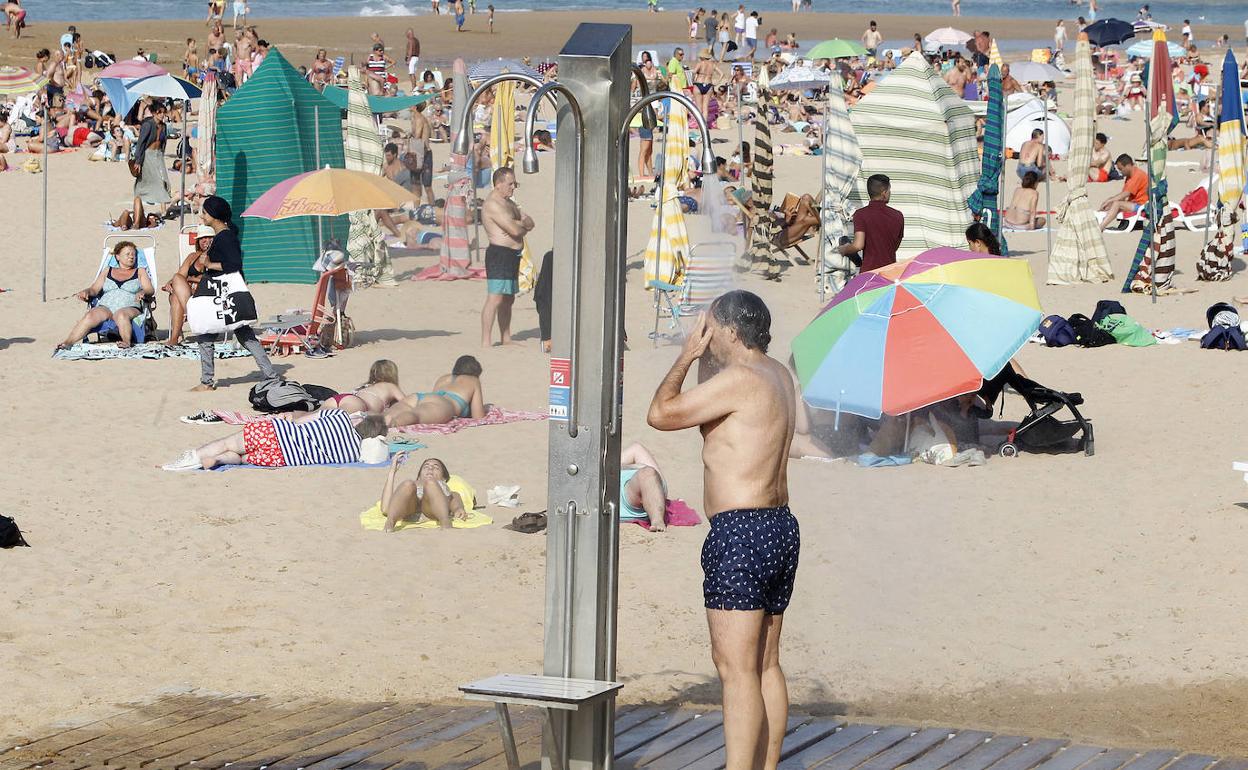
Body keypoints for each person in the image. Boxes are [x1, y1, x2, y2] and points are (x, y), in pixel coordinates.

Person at [646, 290, 798, 770]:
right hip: (780, 525)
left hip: (741, 531)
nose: (705, 336)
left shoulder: (739, 379)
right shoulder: (777, 375)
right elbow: (714, 422)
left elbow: (661, 414)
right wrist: (707, 358)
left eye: (710, 328)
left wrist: (686, 355)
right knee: (765, 663)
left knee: (735, 671)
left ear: (730, 331)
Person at [191, 196, 280, 391]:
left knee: (212, 334)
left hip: (222, 294)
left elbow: (234, 265)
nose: (202, 215)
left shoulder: (225, 236)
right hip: (222, 294)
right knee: (241, 334)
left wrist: (208, 264)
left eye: (204, 212)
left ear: (214, 215)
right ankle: (270, 374)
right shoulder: (225, 234)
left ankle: (207, 382)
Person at [162, 412, 388, 471]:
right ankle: (220, 461)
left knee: (227, 442)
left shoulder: (338, 417)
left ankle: (189, 458)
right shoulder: (350, 453)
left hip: (276, 433)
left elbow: (301, 422)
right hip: (281, 458)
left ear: (360, 422)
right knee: (241, 459)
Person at [57, 240, 154, 350]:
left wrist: (143, 292)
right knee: (91, 315)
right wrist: (86, 292)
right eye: (127, 254)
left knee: (121, 314)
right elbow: (94, 289)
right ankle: (68, 342)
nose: (131, 257)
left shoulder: (140, 271)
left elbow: (149, 289)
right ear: (117, 256)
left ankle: (126, 342)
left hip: (130, 306)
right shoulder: (108, 270)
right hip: (106, 307)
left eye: (134, 254)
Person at [480, 168, 533, 347]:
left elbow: (529, 222)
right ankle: (486, 341)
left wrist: (520, 224)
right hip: (499, 254)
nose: (513, 187)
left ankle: (506, 337)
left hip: (513, 254)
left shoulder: (509, 203)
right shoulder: (493, 204)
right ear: (498, 184)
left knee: (508, 298)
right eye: (510, 184)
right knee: (495, 298)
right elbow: (516, 230)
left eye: (514, 183)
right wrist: (520, 225)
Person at [384, 355, 486, 427]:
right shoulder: (473, 380)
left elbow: (433, 397)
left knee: (392, 412)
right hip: (443, 404)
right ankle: (394, 423)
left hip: (421, 396)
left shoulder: (444, 377)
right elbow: (478, 416)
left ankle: (375, 420)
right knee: (416, 415)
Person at [380, 456, 469, 530]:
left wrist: (458, 509)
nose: (430, 468)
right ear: (419, 476)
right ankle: (390, 522)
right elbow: (385, 508)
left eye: (436, 467)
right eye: (426, 467)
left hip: (432, 509)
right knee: (407, 484)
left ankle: (445, 522)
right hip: (411, 507)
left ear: (444, 478)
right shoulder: (414, 484)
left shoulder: (442, 486)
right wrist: (392, 472)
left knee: (431, 483)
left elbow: (454, 497)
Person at [839, 174, 903, 272]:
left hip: (869, 273)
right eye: (889, 190)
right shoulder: (898, 216)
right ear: (884, 193)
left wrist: (844, 249)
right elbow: (894, 246)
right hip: (890, 273)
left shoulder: (861, 215)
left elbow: (858, 245)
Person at [162, 225, 213, 346]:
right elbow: (180, 275)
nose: (205, 241)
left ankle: (176, 336)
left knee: (175, 295)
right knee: (175, 288)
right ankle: (175, 337)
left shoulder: (218, 256)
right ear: (198, 242)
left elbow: (212, 279)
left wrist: (191, 278)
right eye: (202, 238)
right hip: (188, 293)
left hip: (207, 291)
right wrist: (170, 283)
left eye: (209, 237)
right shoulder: (192, 256)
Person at [132, 101, 171, 224]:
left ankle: (163, 209)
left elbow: (163, 141)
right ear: (154, 113)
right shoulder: (148, 125)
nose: (162, 115)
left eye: (164, 113)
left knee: (164, 179)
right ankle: (162, 209)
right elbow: (141, 143)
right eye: (160, 113)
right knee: (147, 180)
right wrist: (138, 160)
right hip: (148, 154)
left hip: (158, 154)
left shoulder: (163, 126)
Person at [322, 360, 407, 414]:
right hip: (359, 405)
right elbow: (407, 403)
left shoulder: (366, 385)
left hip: (343, 397)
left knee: (312, 417)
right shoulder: (391, 386)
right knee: (335, 419)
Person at [619, 442, 670, 531]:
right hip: (626, 491)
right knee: (648, 473)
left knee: (637, 449)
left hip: (626, 476)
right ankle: (657, 519)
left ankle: (657, 519)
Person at [1099, 154, 1148, 230]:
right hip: (1133, 203)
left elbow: (1125, 194)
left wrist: (1110, 200)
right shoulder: (1130, 176)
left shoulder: (1137, 175)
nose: (1120, 172)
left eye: (1121, 169)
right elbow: (1123, 195)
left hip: (1141, 205)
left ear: (1128, 166)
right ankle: (1099, 221)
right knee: (1112, 203)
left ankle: (1101, 226)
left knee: (1116, 204)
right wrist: (1109, 202)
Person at [408, 102, 434, 205]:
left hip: (422, 152)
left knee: (426, 186)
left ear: (414, 106)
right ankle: (417, 209)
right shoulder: (415, 118)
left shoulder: (419, 119)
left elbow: (418, 136)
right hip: (419, 151)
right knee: (416, 185)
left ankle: (431, 208)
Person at [692, 49, 719, 118]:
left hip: (699, 84)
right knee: (705, 108)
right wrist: (717, 82)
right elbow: (722, 74)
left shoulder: (700, 63)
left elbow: (694, 72)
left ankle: (699, 126)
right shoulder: (712, 64)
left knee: (699, 108)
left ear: (702, 57)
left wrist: (693, 80)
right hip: (708, 85)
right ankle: (704, 126)